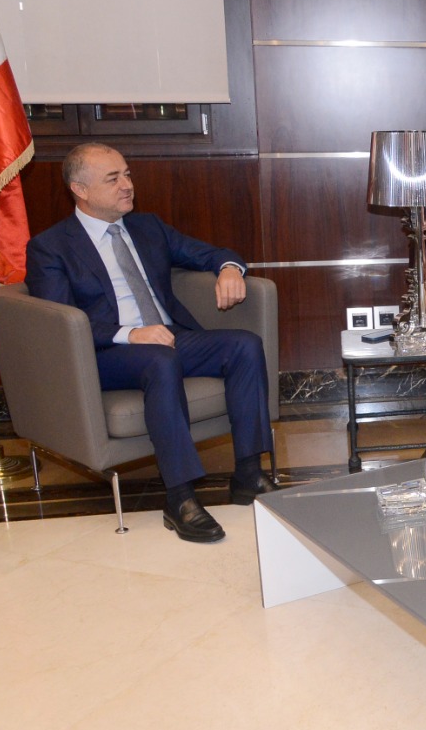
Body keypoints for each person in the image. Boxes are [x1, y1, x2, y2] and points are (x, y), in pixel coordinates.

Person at [24, 142, 275, 543]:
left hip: (169, 337)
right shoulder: (51, 247)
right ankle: (180, 497)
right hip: (106, 353)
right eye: (113, 179)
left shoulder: (147, 227)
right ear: (80, 189)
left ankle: (248, 473)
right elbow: (61, 321)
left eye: (127, 174)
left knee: (244, 345)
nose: (127, 185)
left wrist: (229, 268)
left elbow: (210, 253)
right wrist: (130, 334)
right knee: (160, 359)